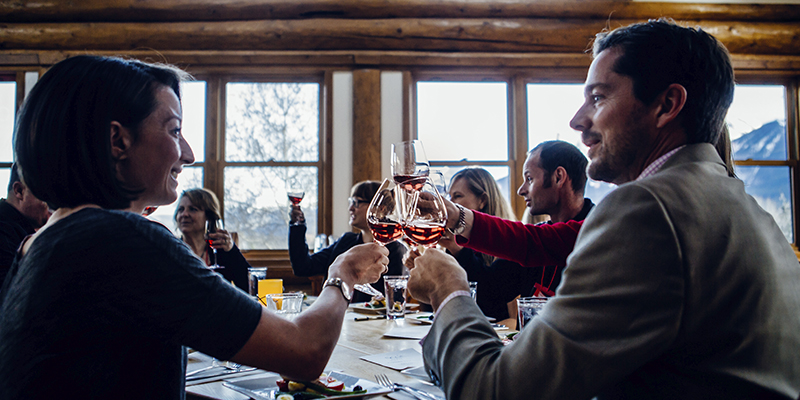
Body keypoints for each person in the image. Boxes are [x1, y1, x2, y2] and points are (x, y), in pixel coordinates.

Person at [408, 19, 800, 399]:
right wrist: (458, 217)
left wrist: (449, 290)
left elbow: (497, 392)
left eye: (598, 97)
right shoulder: (746, 209)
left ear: (667, 104)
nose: (578, 120)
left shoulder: (647, 209)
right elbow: (537, 244)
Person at [0, 55, 389, 399]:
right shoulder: (122, 240)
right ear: (118, 140)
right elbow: (306, 352)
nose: (188, 153)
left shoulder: (39, 241)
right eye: (173, 130)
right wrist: (344, 272)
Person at [289, 180, 406, 303]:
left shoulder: (396, 250)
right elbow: (303, 267)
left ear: (380, 208)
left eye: (356, 202)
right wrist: (298, 225)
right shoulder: (346, 241)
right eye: (351, 202)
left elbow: (395, 300)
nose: (350, 208)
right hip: (336, 316)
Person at [437, 167, 521, 321]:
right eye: (449, 196)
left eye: (457, 196)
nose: (450, 203)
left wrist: (458, 251)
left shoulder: (508, 243)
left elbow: (489, 302)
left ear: (482, 200)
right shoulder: (454, 244)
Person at [515, 140, 594, 295]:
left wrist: (462, 219)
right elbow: (490, 287)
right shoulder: (538, 236)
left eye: (529, 179)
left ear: (558, 177)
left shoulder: (598, 235)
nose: (521, 190)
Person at [174, 188, 250, 292]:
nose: (184, 214)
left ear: (209, 216)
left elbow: (249, 286)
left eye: (192, 209)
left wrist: (232, 251)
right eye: (180, 209)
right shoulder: (172, 249)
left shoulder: (220, 249)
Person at [0, 163, 50, 284]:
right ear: (20, 191)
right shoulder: (4, 232)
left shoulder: (13, 228)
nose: (52, 205)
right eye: (46, 195)